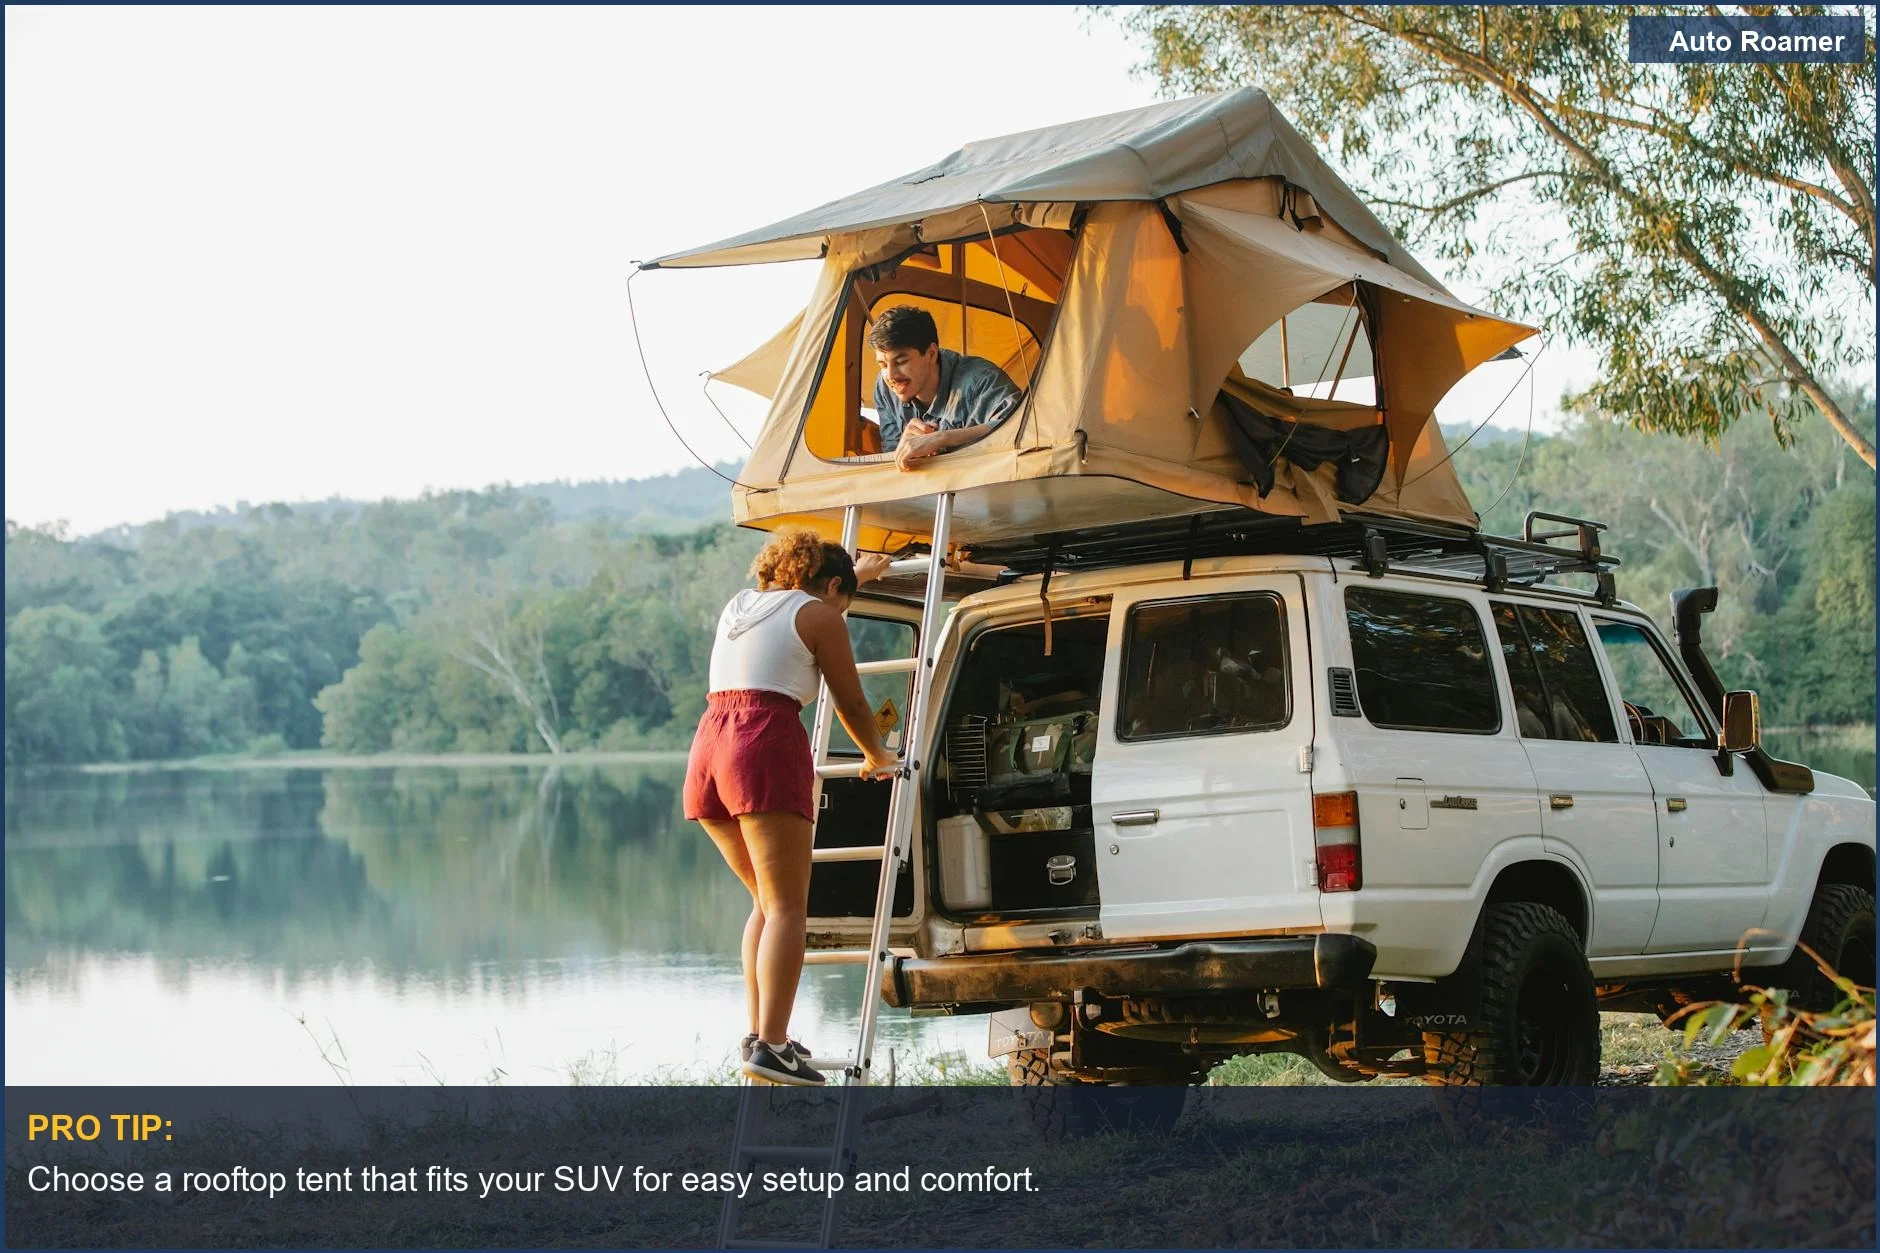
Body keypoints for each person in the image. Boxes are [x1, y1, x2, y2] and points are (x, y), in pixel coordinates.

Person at [684, 528, 896, 1086]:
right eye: (844, 599)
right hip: (761, 742)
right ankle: (774, 1046)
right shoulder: (822, 617)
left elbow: (797, 608)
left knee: (765, 901)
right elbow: (850, 698)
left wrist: (860, 577)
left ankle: (760, 1035)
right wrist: (878, 754)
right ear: (831, 588)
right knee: (788, 909)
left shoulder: (741, 604)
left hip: (709, 747)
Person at [869, 305, 1023, 471]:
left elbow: (1022, 427)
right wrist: (905, 449)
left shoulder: (982, 380)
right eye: (883, 365)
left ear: (931, 353)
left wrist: (943, 438)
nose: (891, 375)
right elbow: (891, 458)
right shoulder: (884, 388)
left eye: (901, 362)